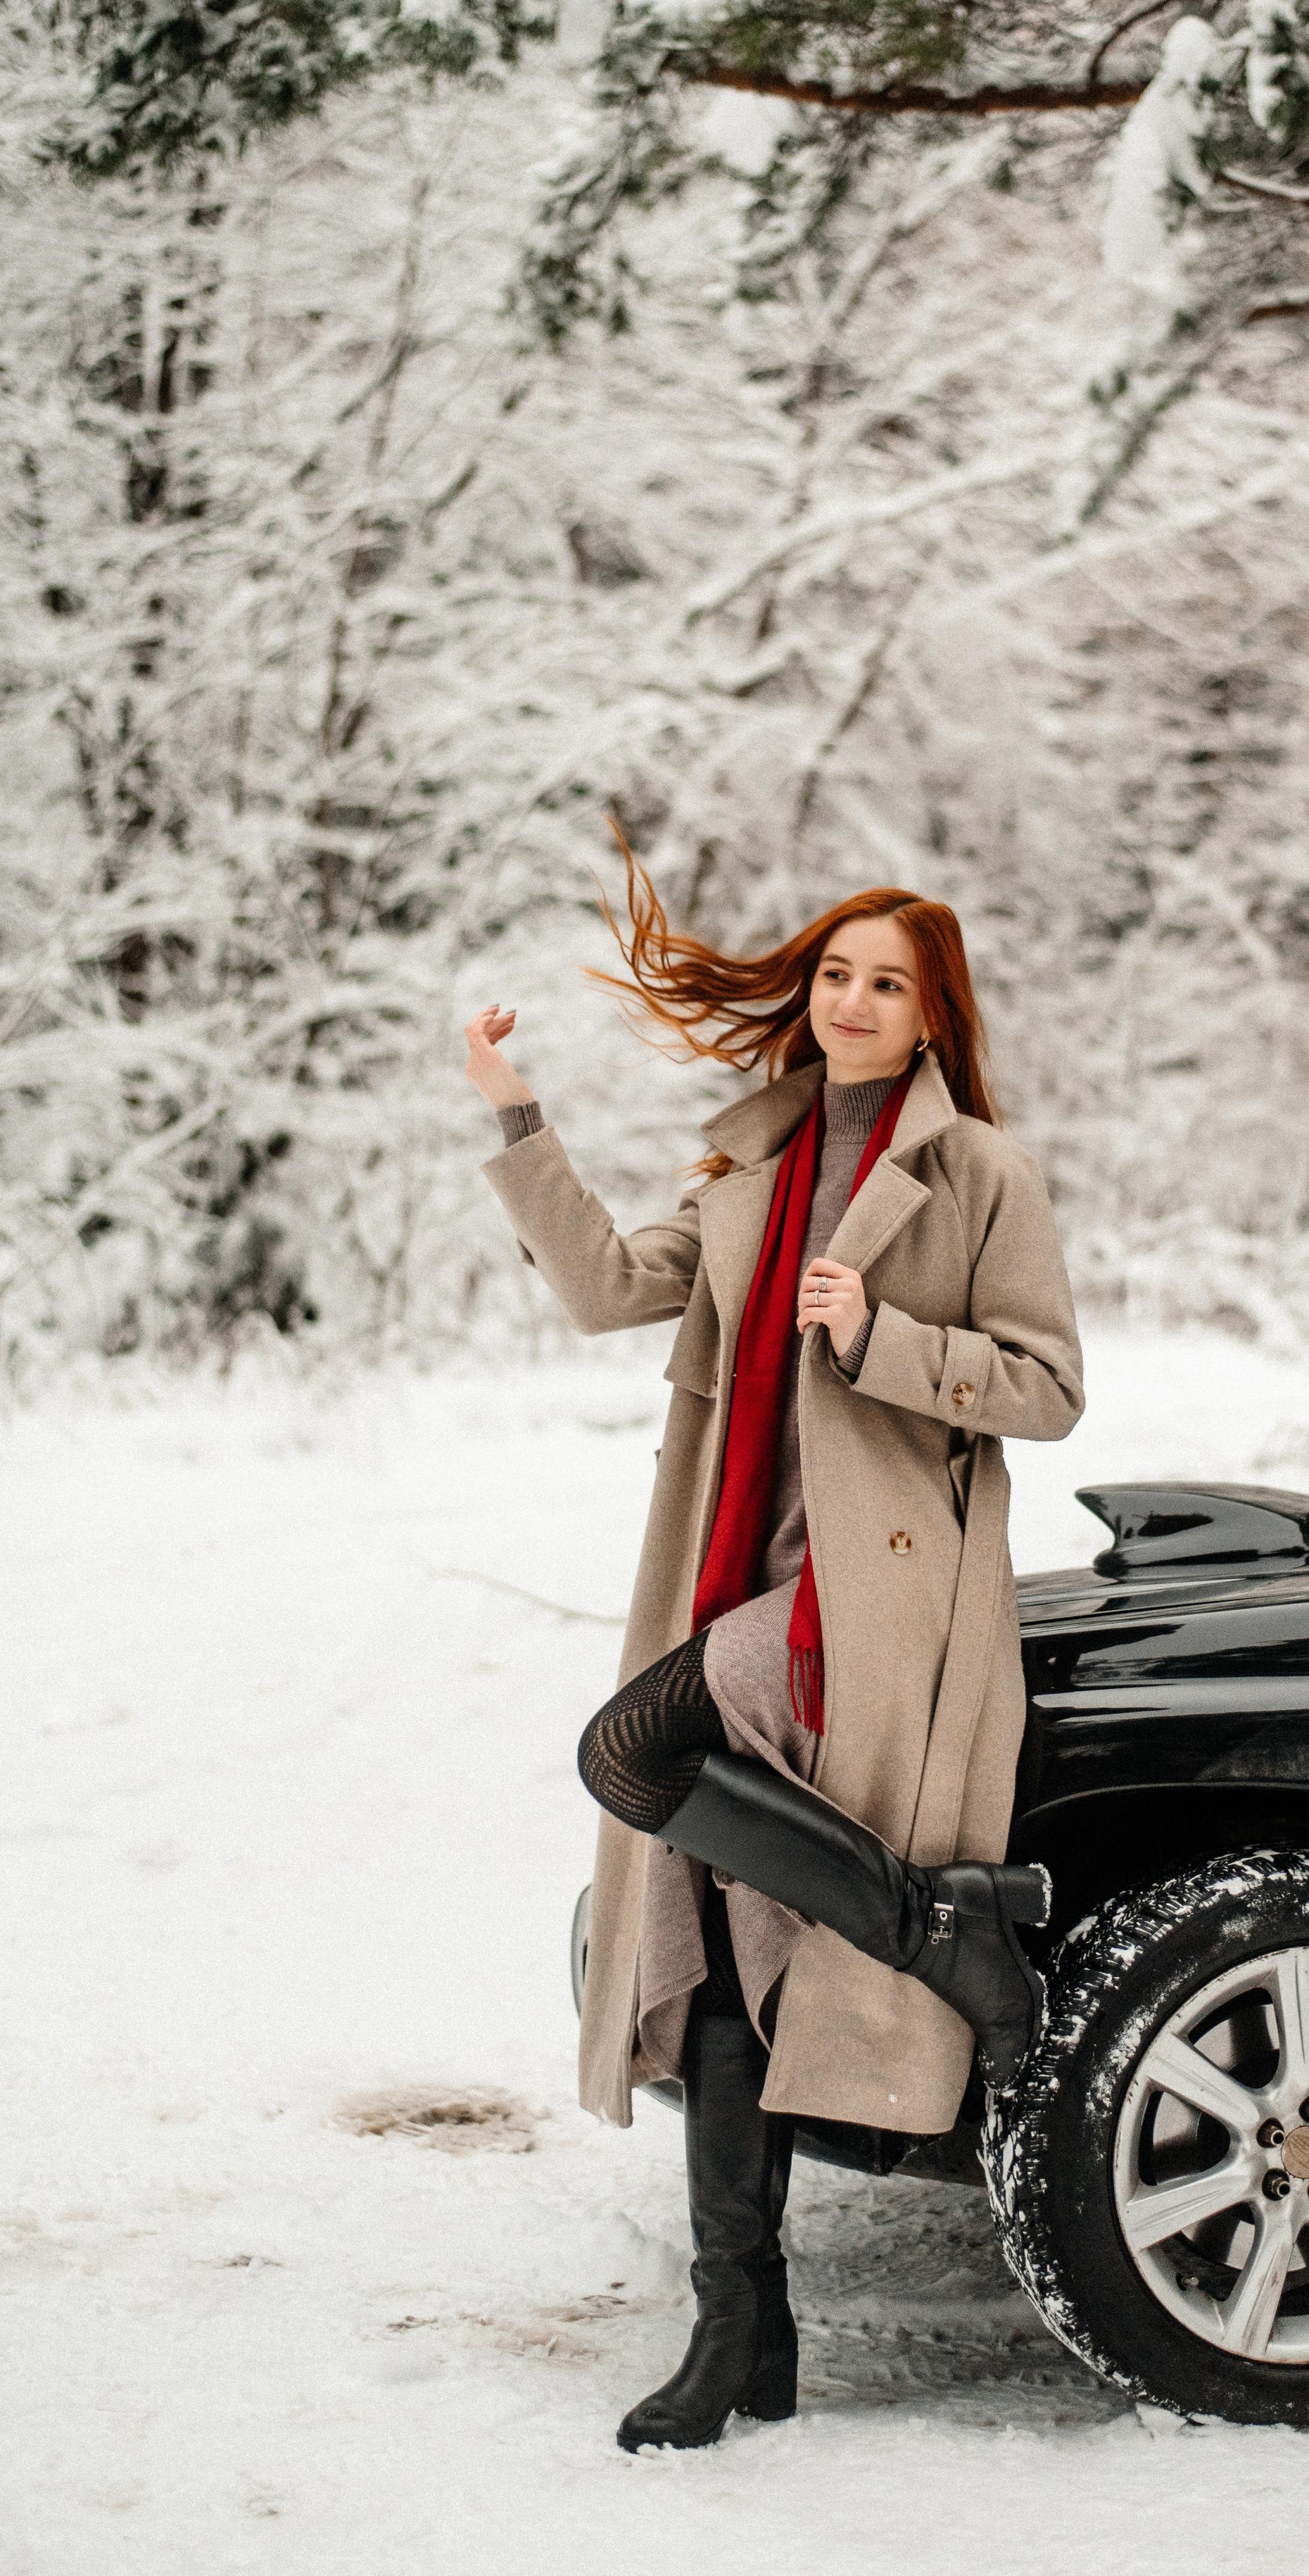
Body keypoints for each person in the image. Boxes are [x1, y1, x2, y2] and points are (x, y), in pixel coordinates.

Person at [464, 848, 1082, 2452]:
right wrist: (515, 1120)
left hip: (866, 1612)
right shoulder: (750, 1166)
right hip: (736, 1578)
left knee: (626, 1752)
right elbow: (607, 1288)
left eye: (887, 982)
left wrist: (880, 1340)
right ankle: (743, 2330)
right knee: (727, 1968)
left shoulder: (982, 1178)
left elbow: (1045, 1387)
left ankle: (931, 1931)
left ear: (931, 1011)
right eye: (834, 977)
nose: (853, 1002)